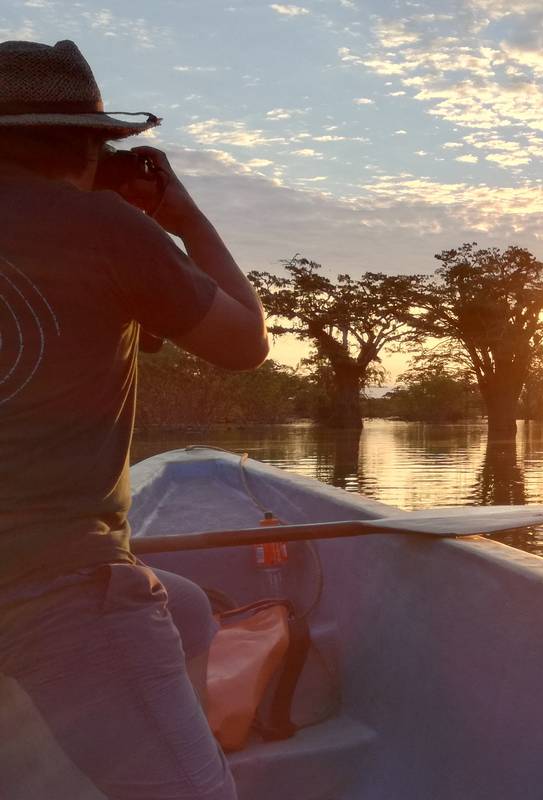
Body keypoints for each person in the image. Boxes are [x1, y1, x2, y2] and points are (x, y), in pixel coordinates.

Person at [0, 40, 268, 799]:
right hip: (51, 582)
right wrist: (182, 216)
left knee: (184, 609)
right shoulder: (105, 230)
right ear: (92, 146)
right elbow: (245, 344)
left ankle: (154, 732)